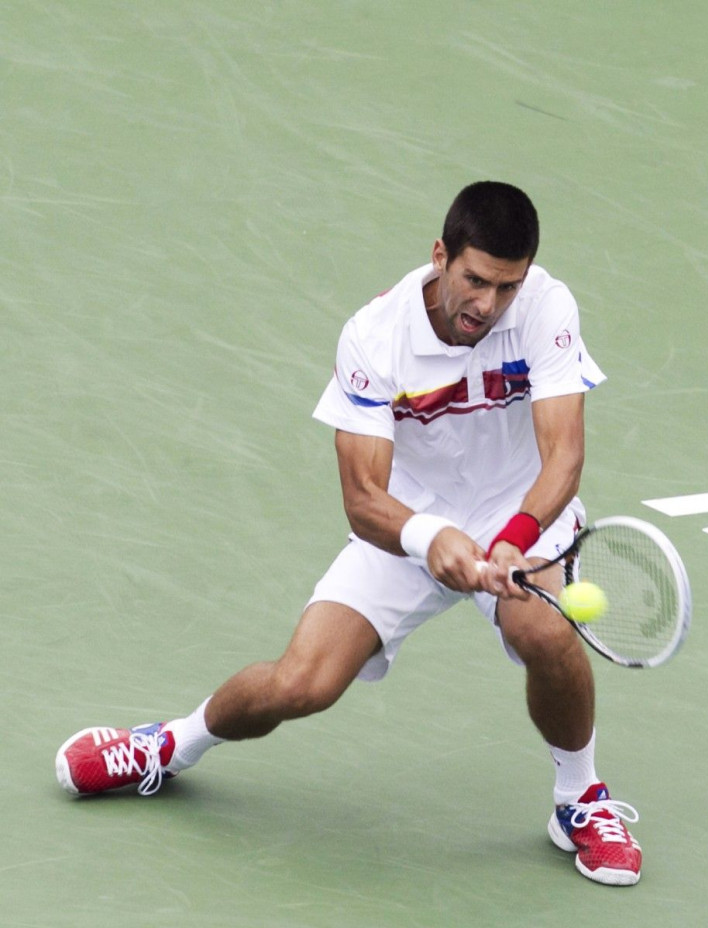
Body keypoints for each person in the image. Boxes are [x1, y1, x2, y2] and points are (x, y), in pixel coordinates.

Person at [55, 181, 642, 886]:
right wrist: (430, 537)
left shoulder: (548, 307)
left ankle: (580, 798)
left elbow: (564, 456)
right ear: (440, 256)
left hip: (517, 513)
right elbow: (364, 498)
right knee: (301, 683)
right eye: (475, 280)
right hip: (407, 518)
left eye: (507, 287)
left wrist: (514, 535)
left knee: (546, 632)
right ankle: (167, 745)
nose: (488, 304)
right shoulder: (374, 337)